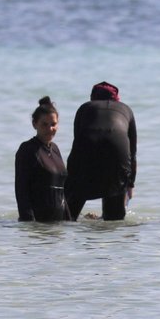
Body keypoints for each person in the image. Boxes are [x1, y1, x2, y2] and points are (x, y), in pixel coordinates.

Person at [65, 82, 137, 221]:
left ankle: (68, 219)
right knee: (113, 219)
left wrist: (70, 180)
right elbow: (132, 153)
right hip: (118, 158)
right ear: (117, 99)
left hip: (85, 154)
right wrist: (130, 184)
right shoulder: (126, 109)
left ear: (92, 97)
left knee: (68, 214)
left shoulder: (85, 108)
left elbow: (77, 141)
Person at [15, 96, 69, 222]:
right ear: (34, 124)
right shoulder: (27, 149)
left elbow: (61, 193)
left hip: (58, 225)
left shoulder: (55, 149)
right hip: (38, 224)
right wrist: (29, 223)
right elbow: (21, 190)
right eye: (44, 124)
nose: (50, 129)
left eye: (53, 124)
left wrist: (69, 221)